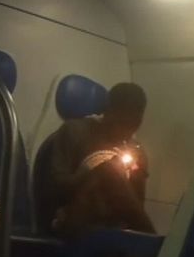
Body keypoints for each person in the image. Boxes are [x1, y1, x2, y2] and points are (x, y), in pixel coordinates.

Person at [40, 82, 155, 240]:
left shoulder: (137, 152)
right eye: (122, 122)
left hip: (113, 226)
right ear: (108, 111)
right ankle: (154, 241)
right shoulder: (74, 131)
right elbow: (55, 187)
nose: (126, 131)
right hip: (72, 218)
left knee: (113, 173)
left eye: (133, 125)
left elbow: (136, 207)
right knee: (108, 170)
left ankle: (149, 244)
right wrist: (94, 173)